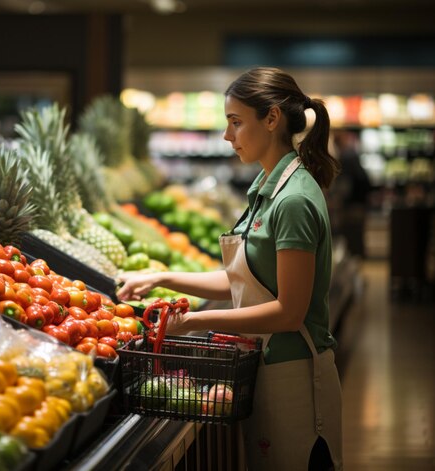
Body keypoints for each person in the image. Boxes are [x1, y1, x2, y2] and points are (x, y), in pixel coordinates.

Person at [117, 67, 343, 471]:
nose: (227, 136)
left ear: (271, 119)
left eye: (236, 122)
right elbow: (242, 278)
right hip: (267, 367)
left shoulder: (292, 201)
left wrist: (190, 322)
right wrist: (161, 277)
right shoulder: (266, 187)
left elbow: (289, 312)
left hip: (295, 377)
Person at [330, 129, 372, 258]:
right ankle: (357, 261)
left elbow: (346, 184)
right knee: (357, 233)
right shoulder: (351, 155)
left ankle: (354, 262)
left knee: (352, 234)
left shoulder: (346, 157)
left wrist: (338, 200)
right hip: (360, 202)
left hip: (352, 205)